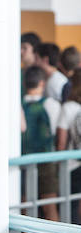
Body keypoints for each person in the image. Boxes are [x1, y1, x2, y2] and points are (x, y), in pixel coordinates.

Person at [23, 65, 61, 233]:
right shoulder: (51, 105)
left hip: (23, 162)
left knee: (23, 208)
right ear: (42, 83)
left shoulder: (18, 105)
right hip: (46, 161)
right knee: (49, 208)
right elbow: (55, 132)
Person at [56, 71, 81, 223]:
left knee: (70, 207)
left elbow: (61, 141)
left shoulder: (68, 107)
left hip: (71, 165)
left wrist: (58, 165)